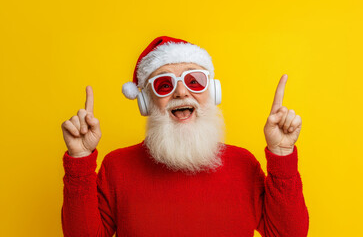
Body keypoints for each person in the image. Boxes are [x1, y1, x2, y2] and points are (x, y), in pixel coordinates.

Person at [61, 36, 309, 237]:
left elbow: (289, 234)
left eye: (194, 81)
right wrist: (80, 159)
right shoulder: (117, 167)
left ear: (213, 91)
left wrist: (282, 154)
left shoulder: (243, 164)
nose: (181, 92)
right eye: (165, 85)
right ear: (146, 101)